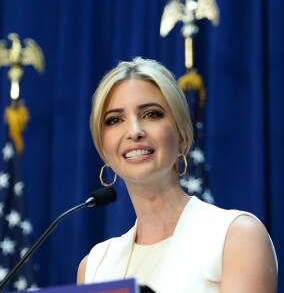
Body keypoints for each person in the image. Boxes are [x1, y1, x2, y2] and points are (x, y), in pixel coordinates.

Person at [77, 57, 278, 293]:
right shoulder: (95, 267)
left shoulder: (236, 237)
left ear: (182, 137)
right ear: (104, 150)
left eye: (151, 114)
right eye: (115, 120)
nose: (134, 131)